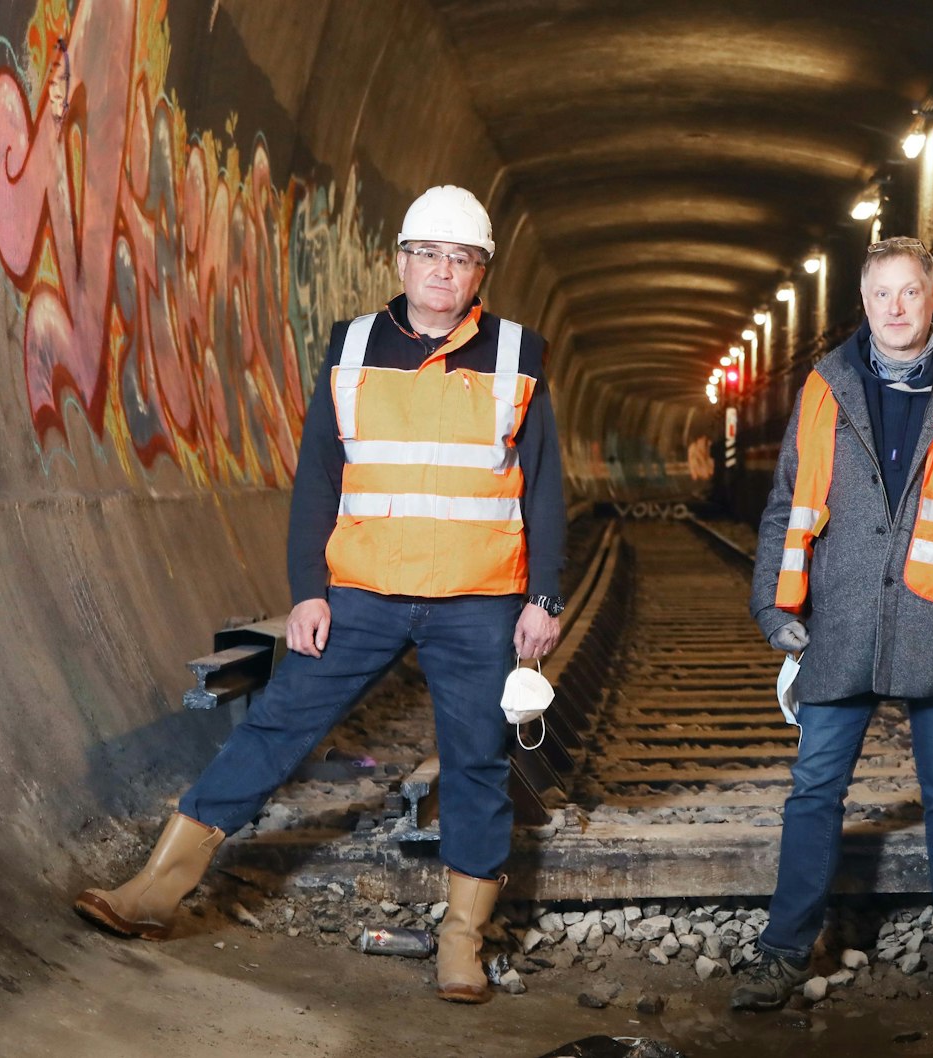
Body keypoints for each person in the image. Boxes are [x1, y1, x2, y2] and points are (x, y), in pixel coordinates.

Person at [73, 185, 567, 1005]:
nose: (444, 272)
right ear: (402, 260)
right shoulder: (354, 344)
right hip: (362, 593)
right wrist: (308, 591)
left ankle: (460, 945)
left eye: (463, 259)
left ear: (481, 272)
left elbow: (544, 487)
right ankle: (154, 892)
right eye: (430, 255)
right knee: (275, 726)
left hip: (476, 602)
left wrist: (542, 601)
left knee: (477, 766)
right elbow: (317, 478)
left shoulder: (520, 353)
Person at [735, 237, 933, 1010]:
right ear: (864, 303)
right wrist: (772, 604)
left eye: (909, 293)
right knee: (813, 791)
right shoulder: (825, 386)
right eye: (881, 296)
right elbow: (784, 505)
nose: (895, 309)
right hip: (839, 619)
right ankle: (783, 951)